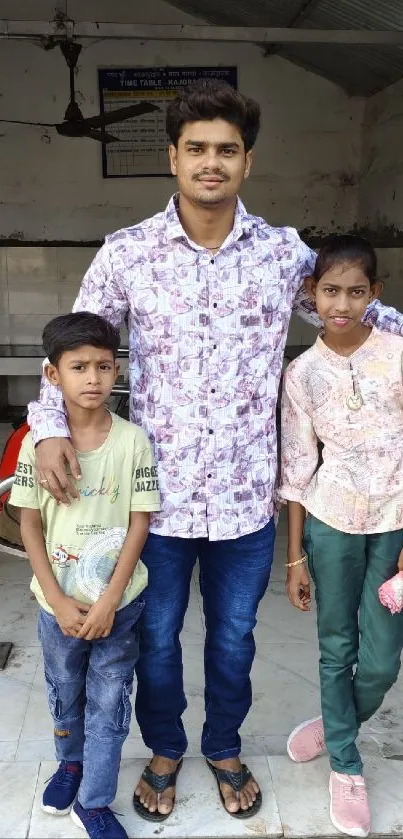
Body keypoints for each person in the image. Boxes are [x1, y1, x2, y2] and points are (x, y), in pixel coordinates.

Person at [27, 80, 403, 821]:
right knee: (158, 640)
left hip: (242, 497)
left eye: (225, 150)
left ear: (246, 162)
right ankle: (165, 749)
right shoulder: (128, 252)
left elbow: (348, 306)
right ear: (172, 156)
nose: (210, 162)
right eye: (195, 148)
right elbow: (77, 344)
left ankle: (223, 745)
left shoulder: (280, 253)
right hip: (153, 499)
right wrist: (46, 428)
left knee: (233, 638)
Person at [10, 312, 160, 839]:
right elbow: (28, 525)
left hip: (119, 606)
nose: (93, 378)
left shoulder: (133, 441)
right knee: (64, 691)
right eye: (79, 367)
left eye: (103, 365)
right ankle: (68, 764)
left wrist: (109, 601)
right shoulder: (38, 443)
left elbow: (140, 523)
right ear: (53, 376)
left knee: (110, 701)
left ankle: (94, 801)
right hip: (58, 607)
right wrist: (56, 597)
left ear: (116, 369)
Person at [278, 235, 403, 838]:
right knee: (337, 648)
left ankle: (335, 724)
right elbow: (298, 471)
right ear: (312, 294)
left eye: (357, 291)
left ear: (375, 294)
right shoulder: (301, 375)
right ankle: (347, 768)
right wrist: (295, 556)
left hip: (394, 528)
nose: (343, 303)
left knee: (381, 660)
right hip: (329, 524)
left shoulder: (398, 355)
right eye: (331, 290)